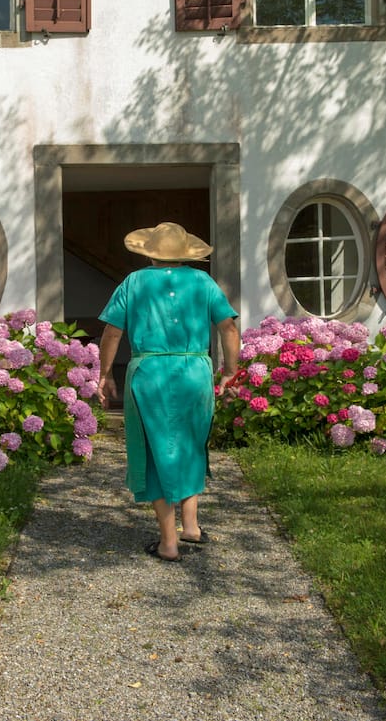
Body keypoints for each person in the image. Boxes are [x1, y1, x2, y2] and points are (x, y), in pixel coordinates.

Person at [97, 221, 240, 562]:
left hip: (150, 373)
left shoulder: (134, 282)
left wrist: (105, 373)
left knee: (154, 449)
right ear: (185, 255)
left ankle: (168, 543)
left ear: (150, 255)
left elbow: (112, 333)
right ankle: (190, 527)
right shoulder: (203, 282)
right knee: (192, 442)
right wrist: (231, 371)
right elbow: (228, 327)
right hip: (195, 371)